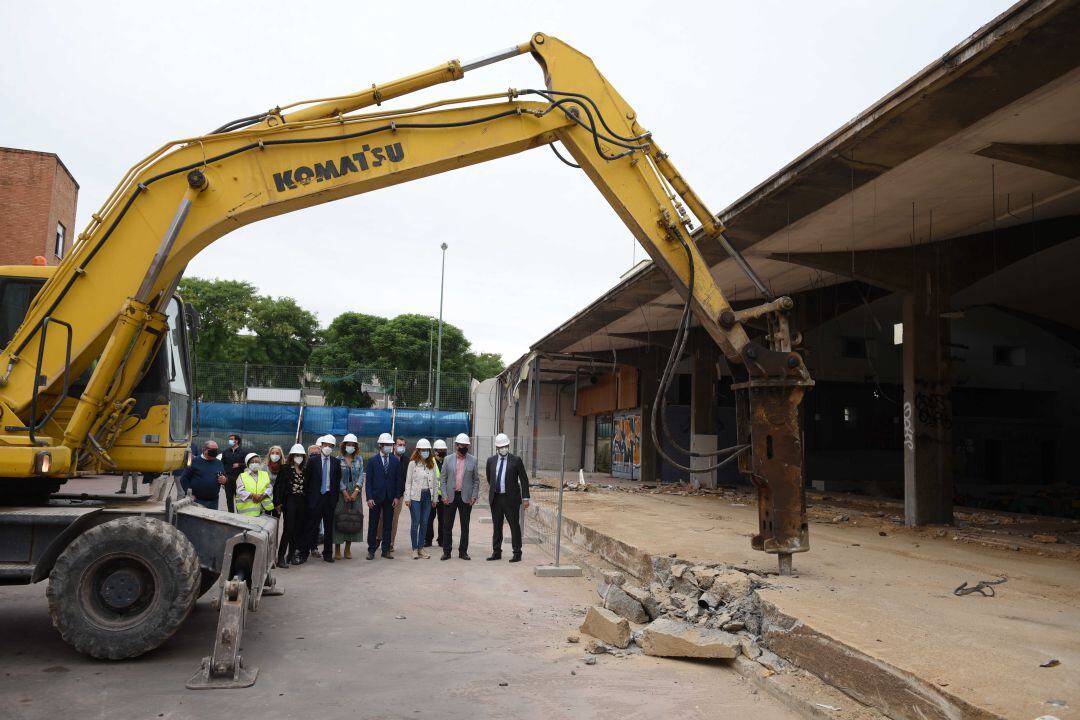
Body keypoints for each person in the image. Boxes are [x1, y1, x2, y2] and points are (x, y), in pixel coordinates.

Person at [486, 433, 531, 562]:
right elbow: (490, 479)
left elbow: (523, 479)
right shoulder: (491, 461)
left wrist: (525, 497)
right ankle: (496, 552)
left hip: (511, 499)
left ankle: (517, 552)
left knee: (514, 526)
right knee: (497, 526)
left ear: (508, 445)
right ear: (496, 447)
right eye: (501, 446)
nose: (504, 448)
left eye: (505, 446)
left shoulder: (516, 460)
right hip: (496, 498)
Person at [439, 433, 479, 561]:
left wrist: (474, 495)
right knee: (447, 526)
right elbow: (443, 478)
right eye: (462, 445)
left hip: (465, 497)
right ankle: (447, 551)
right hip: (450, 497)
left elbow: (476, 480)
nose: (464, 447)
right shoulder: (447, 459)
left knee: (465, 526)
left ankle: (463, 551)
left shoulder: (473, 460)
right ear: (456, 445)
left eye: (466, 445)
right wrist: (444, 495)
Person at [303, 435, 341, 563]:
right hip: (315, 498)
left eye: (330, 446)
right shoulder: (313, 461)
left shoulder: (336, 462)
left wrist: (334, 499)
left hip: (329, 499)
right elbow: (307, 481)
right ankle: (304, 553)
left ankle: (328, 554)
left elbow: (336, 482)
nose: (328, 448)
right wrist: (308, 499)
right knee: (311, 526)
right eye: (325, 445)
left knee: (329, 528)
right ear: (321, 446)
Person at [365, 433, 400, 559]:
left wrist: (396, 497)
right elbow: (368, 481)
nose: (388, 447)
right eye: (386, 445)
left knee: (388, 525)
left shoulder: (395, 461)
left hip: (390, 498)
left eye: (390, 445)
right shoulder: (372, 461)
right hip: (375, 497)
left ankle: (386, 550)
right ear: (380, 445)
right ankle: (371, 550)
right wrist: (369, 497)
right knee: (373, 524)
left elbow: (398, 480)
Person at [404, 439, 438, 559]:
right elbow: (408, 482)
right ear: (418, 451)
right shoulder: (412, 464)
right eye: (423, 450)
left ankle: (420, 548)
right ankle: (414, 548)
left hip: (428, 496)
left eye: (427, 450)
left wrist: (435, 499)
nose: (425, 452)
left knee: (424, 522)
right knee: (415, 522)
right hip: (415, 497)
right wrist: (407, 498)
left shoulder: (432, 464)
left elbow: (434, 482)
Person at [334, 433, 365, 560]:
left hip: (355, 493)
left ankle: (348, 548)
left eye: (353, 445)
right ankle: (337, 549)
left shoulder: (359, 459)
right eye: (348, 444)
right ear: (344, 445)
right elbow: (337, 477)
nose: (350, 447)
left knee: (353, 519)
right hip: (341, 493)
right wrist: (344, 491)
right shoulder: (337, 459)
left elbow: (361, 476)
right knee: (340, 518)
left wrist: (356, 491)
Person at [276, 444, 308, 567]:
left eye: (301, 455)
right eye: (296, 455)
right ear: (292, 456)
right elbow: (278, 486)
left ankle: (291, 555)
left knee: (297, 529)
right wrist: (278, 503)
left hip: (301, 501)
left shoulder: (305, 469)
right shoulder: (285, 468)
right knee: (288, 529)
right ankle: (280, 557)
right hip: (289, 501)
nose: (298, 457)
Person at [376, 436, 409, 552]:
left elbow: (407, 479)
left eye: (403, 445)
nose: (401, 447)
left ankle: (390, 542)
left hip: (398, 495)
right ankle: (378, 538)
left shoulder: (407, 461)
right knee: (381, 517)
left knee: (394, 519)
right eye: (399, 444)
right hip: (385, 494)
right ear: (394, 446)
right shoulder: (388, 457)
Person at [179, 440, 227, 510]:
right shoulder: (194, 461)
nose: (215, 452)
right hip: (197, 501)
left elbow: (225, 477)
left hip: (213, 502)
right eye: (212, 450)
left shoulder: (219, 463)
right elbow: (184, 478)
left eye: (216, 450)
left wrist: (224, 480)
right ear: (204, 450)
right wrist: (189, 493)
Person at [236, 452, 275, 517]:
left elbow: (270, 488)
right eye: (252, 462)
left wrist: (263, 495)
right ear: (248, 464)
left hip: (262, 510)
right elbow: (240, 491)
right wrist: (253, 495)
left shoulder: (264, 474)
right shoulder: (242, 476)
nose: (255, 463)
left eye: (257, 462)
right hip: (246, 513)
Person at [424, 439, 447, 548]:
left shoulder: (446, 461)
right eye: (441, 450)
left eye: (444, 450)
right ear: (436, 451)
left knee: (443, 519)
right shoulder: (430, 462)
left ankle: (441, 540)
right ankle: (428, 540)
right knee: (429, 518)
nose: (443, 452)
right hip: (432, 495)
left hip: (443, 495)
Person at [220, 433, 246, 513]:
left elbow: (247, 464)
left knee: (239, 498)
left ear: (237, 441)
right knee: (229, 499)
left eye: (232, 439)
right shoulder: (225, 452)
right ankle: (231, 514)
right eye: (230, 439)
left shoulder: (243, 452)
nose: (230, 441)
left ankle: (239, 514)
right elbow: (222, 464)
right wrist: (223, 477)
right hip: (228, 478)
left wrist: (239, 465)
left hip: (239, 479)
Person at [265, 444, 284, 515]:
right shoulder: (264, 467)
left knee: (276, 519)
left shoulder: (284, 468)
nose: (274, 455)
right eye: (272, 453)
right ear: (269, 454)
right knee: (265, 519)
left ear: (281, 455)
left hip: (278, 500)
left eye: (277, 453)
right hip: (266, 498)